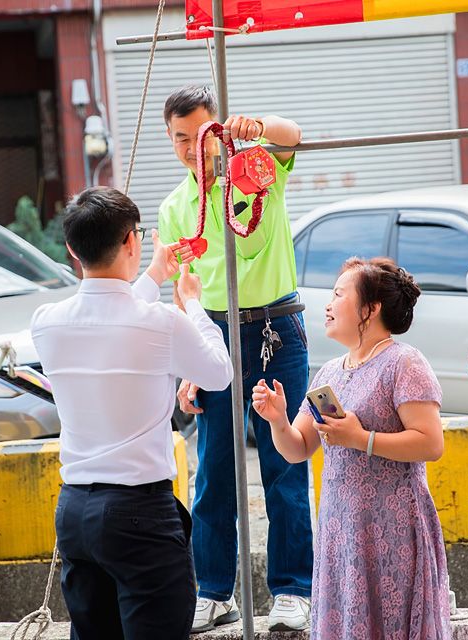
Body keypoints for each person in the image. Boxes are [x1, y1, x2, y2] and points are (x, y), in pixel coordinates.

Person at [30, 186, 233, 640]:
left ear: (71, 249)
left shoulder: (46, 321)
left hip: (75, 512)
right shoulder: (163, 322)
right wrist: (193, 302)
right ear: (131, 242)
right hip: (139, 512)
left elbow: (112, 312)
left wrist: (156, 272)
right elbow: (219, 373)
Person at [157, 85, 313, 632]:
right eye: (179, 139)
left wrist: (259, 124)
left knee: (284, 465)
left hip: (274, 324)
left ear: (218, 128)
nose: (190, 149)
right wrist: (186, 366)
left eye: (200, 135)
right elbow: (184, 291)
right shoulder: (175, 206)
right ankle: (214, 590)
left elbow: (293, 135)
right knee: (214, 472)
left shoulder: (259, 166)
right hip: (214, 332)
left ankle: (293, 590)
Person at [252, 256, 451, 639]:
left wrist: (362, 439)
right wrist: (277, 419)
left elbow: (431, 442)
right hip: (340, 530)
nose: (328, 304)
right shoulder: (329, 371)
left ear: (370, 308)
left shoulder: (403, 362)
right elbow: (297, 448)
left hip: (392, 529)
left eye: (339, 294)